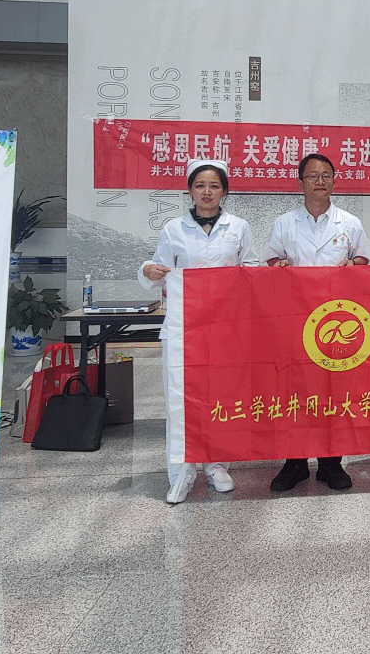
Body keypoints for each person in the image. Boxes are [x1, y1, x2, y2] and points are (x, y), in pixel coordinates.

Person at [139, 159, 262, 505]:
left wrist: (248, 275)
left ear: (225, 191)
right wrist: (148, 270)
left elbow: (251, 266)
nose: (207, 192)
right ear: (190, 191)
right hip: (184, 330)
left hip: (225, 329)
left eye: (214, 186)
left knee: (221, 396)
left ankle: (216, 465)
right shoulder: (173, 229)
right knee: (181, 399)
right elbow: (157, 268)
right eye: (200, 186)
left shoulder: (239, 227)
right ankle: (181, 473)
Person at [264, 152, 370, 492]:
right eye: (313, 176)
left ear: (335, 182)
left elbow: (363, 259)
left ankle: (331, 463)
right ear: (301, 183)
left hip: (335, 322)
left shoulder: (350, 223)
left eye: (326, 175)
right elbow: (271, 260)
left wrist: (354, 265)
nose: (320, 181)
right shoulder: (284, 223)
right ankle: (294, 463)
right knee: (293, 389)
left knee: (334, 390)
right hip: (295, 320)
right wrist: (278, 267)